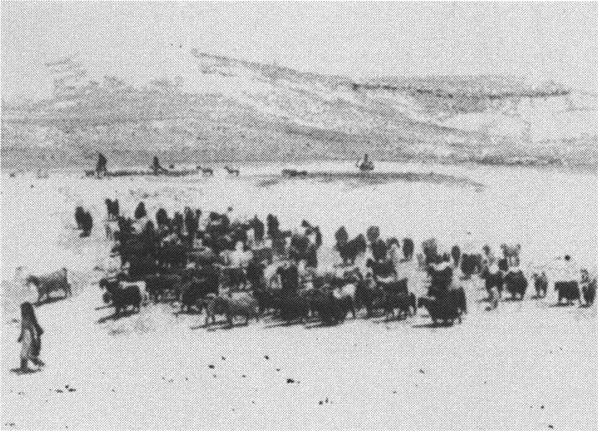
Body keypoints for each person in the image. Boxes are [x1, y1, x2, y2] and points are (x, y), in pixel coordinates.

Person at [17, 302, 45, 372]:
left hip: (30, 339)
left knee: (27, 354)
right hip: (26, 339)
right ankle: (26, 367)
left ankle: (24, 368)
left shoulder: (30, 319)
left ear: (27, 310)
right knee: (26, 354)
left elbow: (33, 330)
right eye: (22, 309)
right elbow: (23, 328)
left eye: (23, 309)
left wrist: (35, 339)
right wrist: (20, 336)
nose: (22, 311)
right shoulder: (24, 318)